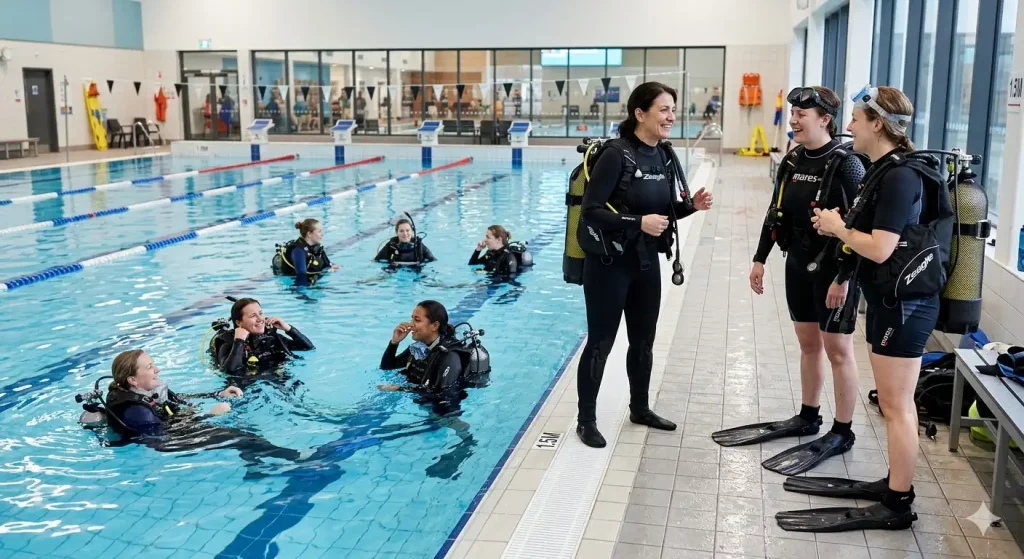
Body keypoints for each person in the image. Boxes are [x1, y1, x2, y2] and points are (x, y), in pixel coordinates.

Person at [780, 86, 939, 532]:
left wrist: (835, 227)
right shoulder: (883, 169)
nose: (848, 126)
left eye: (854, 118)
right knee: (893, 403)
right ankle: (895, 484)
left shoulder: (900, 176)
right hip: (894, 301)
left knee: (896, 405)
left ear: (877, 124)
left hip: (906, 306)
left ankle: (898, 502)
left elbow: (882, 248)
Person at [712, 86, 866, 476]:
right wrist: (760, 258)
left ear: (824, 120)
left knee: (838, 351)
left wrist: (844, 278)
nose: (793, 119)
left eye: (802, 114)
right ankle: (809, 415)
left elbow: (860, 227)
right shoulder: (793, 159)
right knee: (808, 344)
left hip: (834, 270)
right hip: (796, 263)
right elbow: (774, 211)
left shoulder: (846, 164)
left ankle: (843, 429)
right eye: (793, 112)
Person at [574, 82, 713, 448]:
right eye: (663, 110)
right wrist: (638, 223)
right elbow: (591, 211)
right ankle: (586, 419)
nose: (671, 116)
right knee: (601, 342)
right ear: (640, 114)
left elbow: (664, 212)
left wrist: (690, 206)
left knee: (643, 341)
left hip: (646, 262)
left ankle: (640, 407)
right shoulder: (616, 156)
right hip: (609, 265)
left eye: (672, 109)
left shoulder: (664, 156)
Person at [95, 350, 302, 464]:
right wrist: (209, 417)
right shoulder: (137, 411)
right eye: (150, 367)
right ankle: (296, 458)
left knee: (243, 433)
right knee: (240, 436)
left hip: (173, 429)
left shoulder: (144, 392)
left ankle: (252, 461)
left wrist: (216, 394)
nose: (157, 369)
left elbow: (178, 398)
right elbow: (162, 442)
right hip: (166, 443)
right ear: (132, 379)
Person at [379, 301, 470, 407]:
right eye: (412, 318)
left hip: (444, 409)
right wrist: (394, 343)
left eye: (417, 320)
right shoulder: (419, 347)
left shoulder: (448, 355)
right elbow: (386, 367)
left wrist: (400, 389)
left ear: (434, 326)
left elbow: (440, 392)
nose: (411, 324)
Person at [210, 298, 315, 379]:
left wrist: (288, 328)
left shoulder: (270, 337)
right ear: (239, 322)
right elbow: (228, 372)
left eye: (260, 313)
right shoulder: (228, 343)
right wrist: (239, 342)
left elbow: (308, 348)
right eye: (253, 316)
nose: (260, 319)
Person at [272, 218, 340, 286]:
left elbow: (327, 264)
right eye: (319, 231)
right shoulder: (298, 251)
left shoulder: (316, 247)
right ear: (309, 234)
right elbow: (301, 276)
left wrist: (331, 267)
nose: (322, 234)